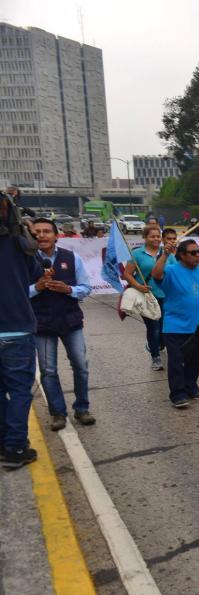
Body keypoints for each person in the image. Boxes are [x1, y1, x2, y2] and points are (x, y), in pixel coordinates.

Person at [28, 218, 95, 431]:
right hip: (42, 323)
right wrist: (37, 287)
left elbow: (86, 287)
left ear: (56, 235)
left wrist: (68, 290)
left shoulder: (71, 258)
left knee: (81, 366)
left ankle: (82, 408)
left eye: (46, 231)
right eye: (37, 232)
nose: (41, 235)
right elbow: (17, 292)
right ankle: (58, 413)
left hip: (70, 320)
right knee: (48, 371)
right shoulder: (25, 261)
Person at [0, 191, 42, 469]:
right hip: (16, 328)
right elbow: (35, 272)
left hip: (15, 328)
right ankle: (15, 446)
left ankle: (5, 440)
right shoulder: (18, 242)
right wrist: (30, 240)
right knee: (19, 390)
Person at [152, 238, 199, 409]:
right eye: (193, 253)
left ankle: (191, 387)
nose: (198, 255)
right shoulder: (171, 270)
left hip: (198, 327)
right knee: (177, 362)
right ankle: (178, 394)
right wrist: (165, 254)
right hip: (176, 326)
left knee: (195, 360)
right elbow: (156, 275)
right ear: (182, 255)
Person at [124, 225, 176, 370]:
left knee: (166, 328)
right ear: (145, 238)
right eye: (152, 236)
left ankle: (159, 345)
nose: (156, 239)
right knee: (153, 328)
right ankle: (155, 357)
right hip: (147, 297)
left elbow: (175, 273)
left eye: (158, 236)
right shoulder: (137, 254)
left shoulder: (168, 254)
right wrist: (138, 286)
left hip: (166, 297)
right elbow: (127, 274)